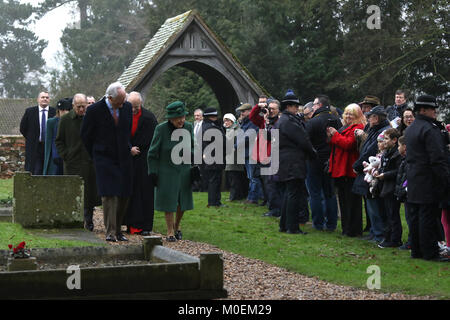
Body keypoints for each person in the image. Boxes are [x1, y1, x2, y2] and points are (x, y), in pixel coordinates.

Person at [80, 82, 133, 242]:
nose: (123, 104)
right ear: (110, 98)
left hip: (123, 157)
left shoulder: (127, 108)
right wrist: (96, 154)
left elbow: (126, 132)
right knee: (109, 194)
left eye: (124, 100)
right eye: (120, 101)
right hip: (104, 158)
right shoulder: (95, 110)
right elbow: (85, 135)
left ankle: (118, 230)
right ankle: (110, 232)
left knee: (124, 194)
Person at [405, 95, 449, 262]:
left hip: (414, 177)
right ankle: (429, 252)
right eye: (432, 109)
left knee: (415, 217)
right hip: (429, 178)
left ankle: (416, 250)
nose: (435, 113)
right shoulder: (430, 129)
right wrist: (444, 179)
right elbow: (437, 158)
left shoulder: (411, 128)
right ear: (423, 110)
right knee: (428, 217)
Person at [147, 101, 194, 242]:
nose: (181, 120)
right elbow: (152, 153)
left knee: (182, 201)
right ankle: (169, 231)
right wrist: (153, 172)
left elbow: (193, 146)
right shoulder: (160, 129)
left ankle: (177, 225)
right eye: (178, 118)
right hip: (166, 170)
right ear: (170, 118)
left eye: (183, 117)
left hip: (184, 169)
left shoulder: (189, 127)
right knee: (169, 201)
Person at [56, 93, 101, 232]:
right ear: (73, 106)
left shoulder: (92, 119)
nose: (82, 109)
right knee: (73, 191)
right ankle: (74, 219)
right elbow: (59, 141)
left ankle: (88, 220)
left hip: (89, 162)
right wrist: (66, 155)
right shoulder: (65, 120)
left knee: (89, 193)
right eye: (79, 106)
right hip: (72, 162)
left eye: (84, 106)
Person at [275, 89, 316, 234]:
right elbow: (302, 140)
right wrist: (313, 153)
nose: (297, 108)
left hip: (286, 160)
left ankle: (284, 225)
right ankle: (292, 227)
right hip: (293, 161)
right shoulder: (289, 121)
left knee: (289, 193)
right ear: (288, 106)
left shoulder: (283, 120)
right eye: (295, 106)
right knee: (294, 194)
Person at [352, 106, 391, 243]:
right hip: (369, 169)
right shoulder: (373, 130)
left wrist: (357, 166)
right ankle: (375, 232)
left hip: (373, 170)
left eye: (371, 116)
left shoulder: (380, 131)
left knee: (375, 205)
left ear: (377, 118)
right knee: (371, 204)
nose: (369, 119)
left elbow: (370, 151)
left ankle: (379, 233)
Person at [327, 103, 366, 237]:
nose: (349, 116)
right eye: (347, 113)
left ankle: (353, 230)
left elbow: (348, 144)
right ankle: (346, 228)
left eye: (352, 114)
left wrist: (335, 134)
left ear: (357, 116)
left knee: (351, 202)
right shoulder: (346, 127)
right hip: (341, 167)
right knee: (343, 200)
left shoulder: (358, 127)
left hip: (349, 169)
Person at [305, 94, 342, 231]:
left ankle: (318, 223)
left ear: (319, 105)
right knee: (330, 193)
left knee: (315, 193)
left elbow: (306, 141)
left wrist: (310, 155)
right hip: (331, 160)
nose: (313, 107)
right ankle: (331, 224)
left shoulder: (313, 122)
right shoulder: (337, 120)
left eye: (314, 104)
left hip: (315, 160)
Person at [124, 92, 158, 236]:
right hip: (128, 160)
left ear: (141, 105)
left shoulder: (149, 118)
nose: (133, 110)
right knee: (130, 193)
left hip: (144, 161)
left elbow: (154, 140)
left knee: (145, 193)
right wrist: (128, 148)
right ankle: (130, 223)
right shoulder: (122, 115)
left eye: (136, 107)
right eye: (131, 107)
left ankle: (145, 225)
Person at [249, 98, 282, 217]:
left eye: (273, 109)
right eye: (270, 108)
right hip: (263, 156)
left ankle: (276, 208)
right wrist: (259, 106)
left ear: (279, 110)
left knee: (273, 184)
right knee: (267, 183)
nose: (271, 111)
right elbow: (252, 116)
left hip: (274, 156)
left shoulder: (280, 121)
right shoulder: (263, 121)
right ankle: (271, 205)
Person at [375, 128, 403, 248]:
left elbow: (398, 171)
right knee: (387, 214)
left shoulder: (397, 154)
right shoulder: (387, 152)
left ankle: (395, 239)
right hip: (385, 187)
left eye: (387, 139)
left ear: (394, 140)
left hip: (392, 188)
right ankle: (388, 237)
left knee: (393, 215)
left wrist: (385, 175)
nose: (384, 141)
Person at [20, 91, 56, 175]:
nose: (45, 99)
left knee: (49, 170)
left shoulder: (54, 112)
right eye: (42, 97)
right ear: (38, 99)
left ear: (49, 100)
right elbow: (23, 128)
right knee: (35, 170)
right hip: (34, 146)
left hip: (49, 146)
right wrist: (31, 138)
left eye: (47, 97)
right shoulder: (30, 111)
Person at [236, 103, 264, 204]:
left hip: (251, 153)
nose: (241, 113)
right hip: (246, 153)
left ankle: (253, 198)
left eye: (243, 111)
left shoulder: (252, 122)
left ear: (249, 111)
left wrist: (236, 145)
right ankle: (255, 197)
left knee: (253, 177)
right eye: (241, 112)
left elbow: (248, 136)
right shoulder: (245, 122)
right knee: (251, 177)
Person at [201, 107, 226, 208]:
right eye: (214, 116)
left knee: (213, 180)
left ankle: (214, 201)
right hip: (215, 156)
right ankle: (214, 202)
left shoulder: (205, 126)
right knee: (215, 180)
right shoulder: (212, 128)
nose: (215, 117)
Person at [43, 98, 72, 175]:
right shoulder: (51, 122)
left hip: (68, 156)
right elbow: (49, 143)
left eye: (65, 110)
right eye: (61, 110)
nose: (63, 112)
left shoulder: (72, 122)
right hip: (55, 157)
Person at [223, 113, 246, 201]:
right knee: (233, 178)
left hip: (235, 157)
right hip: (230, 157)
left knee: (234, 179)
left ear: (232, 121)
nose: (226, 122)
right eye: (225, 120)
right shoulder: (228, 130)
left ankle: (234, 197)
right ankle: (237, 196)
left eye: (228, 120)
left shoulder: (236, 130)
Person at [395, 135, 412, 250]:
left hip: (409, 193)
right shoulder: (405, 159)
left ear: (404, 147)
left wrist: (404, 188)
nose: (398, 148)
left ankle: (412, 241)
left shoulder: (409, 160)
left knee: (411, 218)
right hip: (405, 192)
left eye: (399, 146)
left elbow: (407, 177)